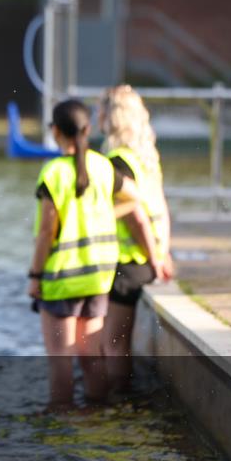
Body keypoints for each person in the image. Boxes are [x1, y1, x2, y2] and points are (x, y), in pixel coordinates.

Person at [28, 99, 162, 411]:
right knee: (92, 357)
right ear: (88, 130)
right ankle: (97, 414)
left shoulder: (53, 173)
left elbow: (46, 232)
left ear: (55, 131)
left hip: (62, 278)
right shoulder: (103, 166)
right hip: (98, 276)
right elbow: (136, 198)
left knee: (61, 359)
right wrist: (103, 214)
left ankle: (61, 418)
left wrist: (35, 276)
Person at [99, 85, 174, 390]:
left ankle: (117, 399)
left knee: (113, 344)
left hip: (128, 264)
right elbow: (162, 209)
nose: (97, 117)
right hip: (146, 259)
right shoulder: (147, 158)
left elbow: (136, 216)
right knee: (119, 342)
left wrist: (155, 259)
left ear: (112, 117)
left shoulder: (117, 161)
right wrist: (163, 252)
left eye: (100, 111)